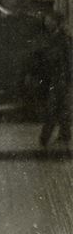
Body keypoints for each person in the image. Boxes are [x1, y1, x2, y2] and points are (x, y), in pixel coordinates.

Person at [38, 12, 71, 149]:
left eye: (49, 20)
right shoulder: (57, 38)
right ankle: (64, 134)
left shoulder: (61, 39)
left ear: (56, 22)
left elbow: (65, 60)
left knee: (54, 107)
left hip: (59, 77)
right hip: (57, 77)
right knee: (62, 107)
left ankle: (45, 137)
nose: (46, 22)